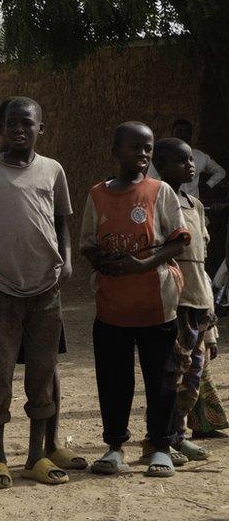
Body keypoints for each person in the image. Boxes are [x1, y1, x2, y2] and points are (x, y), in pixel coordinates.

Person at [0, 98, 86, 474]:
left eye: (27, 124)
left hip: (46, 288)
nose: (20, 129)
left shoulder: (53, 170)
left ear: (40, 128)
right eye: (11, 123)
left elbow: (62, 220)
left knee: (43, 372)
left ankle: (36, 454)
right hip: (0, 288)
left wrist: (66, 258)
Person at [80, 122, 189, 479]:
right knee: (114, 380)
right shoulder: (97, 195)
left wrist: (143, 263)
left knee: (160, 378)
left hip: (156, 304)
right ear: (115, 152)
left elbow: (177, 240)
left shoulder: (160, 192)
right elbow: (88, 245)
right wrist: (101, 262)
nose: (142, 155)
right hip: (112, 307)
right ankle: (114, 446)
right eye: (134, 148)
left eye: (148, 149)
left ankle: (160, 446)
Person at [151, 138, 218, 464]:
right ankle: (161, 439)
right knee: (171, 376)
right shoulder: (157, 202)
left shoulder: (195, 204)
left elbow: (202, 264)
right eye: (181, 161)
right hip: (176, 304)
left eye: (191, 160)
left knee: (192, 379)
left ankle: (178, 435)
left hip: (200, 302)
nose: (190, 166)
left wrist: (212, 321)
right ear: (161, 166)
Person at [147, 119, 225, 198]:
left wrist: (208, 185)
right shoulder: (162, 155)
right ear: (172, 133)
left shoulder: (200, 156)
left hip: (192, 204)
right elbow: (150, 180)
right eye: (179, 131)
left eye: (187, 132)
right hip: (167, 202)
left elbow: (220, 172)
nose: (183, 135)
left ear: (191, 135)